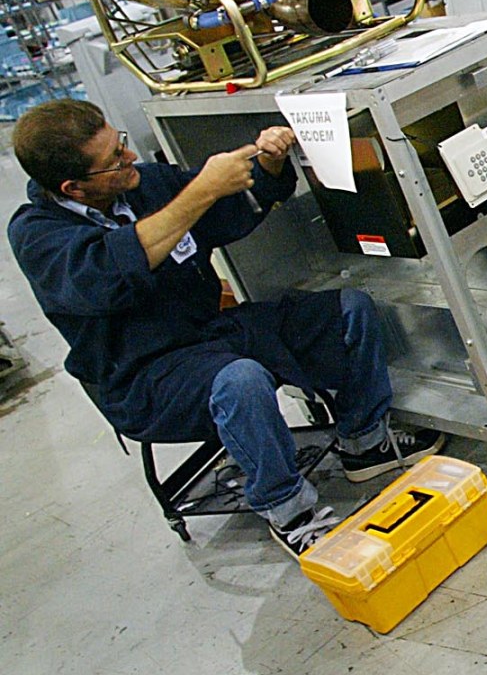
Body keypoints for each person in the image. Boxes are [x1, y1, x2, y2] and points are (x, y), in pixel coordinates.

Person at [8, 99, 444, 559]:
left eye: (121, 143)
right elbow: (111, 274)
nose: (130, 157)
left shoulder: (142, 186)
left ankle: (364, 441)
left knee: (349, 309)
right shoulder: (37, 235)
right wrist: (200, 192)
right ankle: (289, 511)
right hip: (144, 373)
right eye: (114, 160)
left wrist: (270, 167)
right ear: (73, 187)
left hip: (211, 333)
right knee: (240, 380)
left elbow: (224, 213)